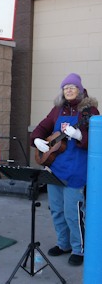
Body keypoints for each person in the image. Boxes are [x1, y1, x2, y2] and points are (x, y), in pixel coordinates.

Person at [30, 73, 99, 266]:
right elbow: (41, 128)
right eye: (65, 87)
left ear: (80, 89)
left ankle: (79, 249)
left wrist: (79, 136)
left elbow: (96, 140)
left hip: (76, 171)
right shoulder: (57, 110)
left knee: (73, 212)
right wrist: (37, 140)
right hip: (55, 169)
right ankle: (64, 244)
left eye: (72, 87)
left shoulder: (90, 111)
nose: (68, 90)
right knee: (57, 211)